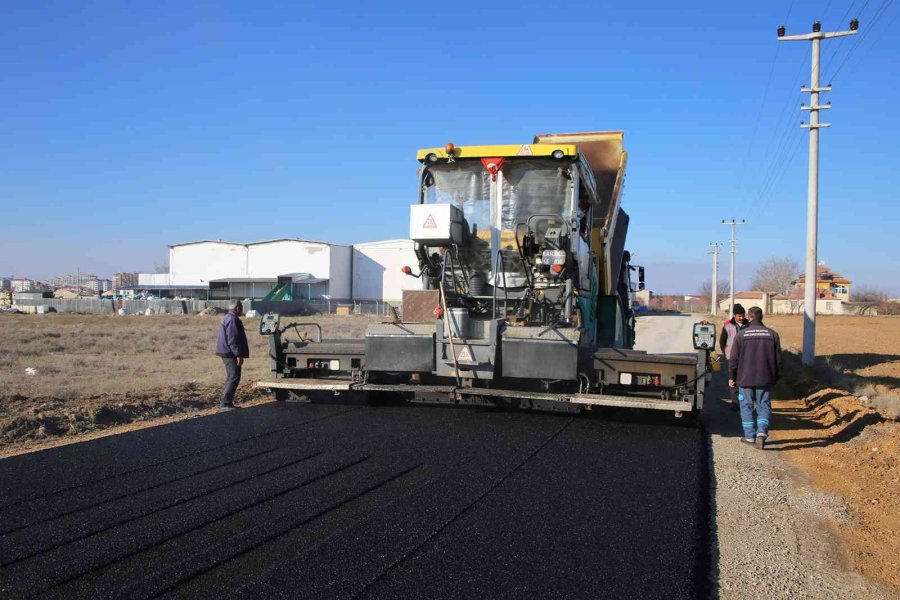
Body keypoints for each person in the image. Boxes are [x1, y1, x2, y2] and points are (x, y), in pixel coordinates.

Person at [728, 306, 782, 449]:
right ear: (761, 317)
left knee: (746, 406)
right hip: (765, 378)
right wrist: (775, 377)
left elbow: (733, 359)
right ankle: (762, 434)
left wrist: (732, 377)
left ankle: (749, 436)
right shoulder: (773, 334)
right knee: (763, 405)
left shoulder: (741, 335)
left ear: (749, 317)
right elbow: (778, 361)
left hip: (744, 378)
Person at [215, 300, 249, 410]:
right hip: (230, 353)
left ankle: (226, 402)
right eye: (241, 308)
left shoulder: (227, 317)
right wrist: (239, 355)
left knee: (231, 376)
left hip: (227, 351)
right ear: (237, 309)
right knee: (234, 377)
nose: (242, 310)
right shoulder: (232, 320)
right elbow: (233, 339)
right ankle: (225, 403)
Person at [719, 303, 748, 410]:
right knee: (733, 380)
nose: (741, 318)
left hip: (746, 358)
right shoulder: (727, 325)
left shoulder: (749, 325)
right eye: (739, 316)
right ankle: (735, 403)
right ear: (734, 315)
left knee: (745, 380)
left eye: (743, 315)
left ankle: (745, 402)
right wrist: (725, 351)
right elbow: (722, 341)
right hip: (731, 358)